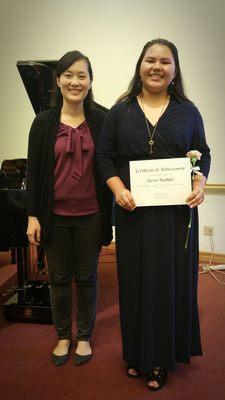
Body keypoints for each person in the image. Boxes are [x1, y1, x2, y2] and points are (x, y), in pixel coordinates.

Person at [97, 38, 210, 391]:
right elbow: (104, 155)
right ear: (140, 66)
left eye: (165, 61)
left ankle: (160, 359)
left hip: (176, 218)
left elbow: (202, 154)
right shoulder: (121, 111)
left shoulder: (188, 111)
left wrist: (200, 183)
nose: (157, 67)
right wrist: (118, 190)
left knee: (168, 284)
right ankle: (135, 353)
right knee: (134, 284)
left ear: (175, 70)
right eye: (150, 60)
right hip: (133, 214)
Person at [26, 50, 112, 367]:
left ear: (90, 81)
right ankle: (63, 336)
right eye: (69, 75)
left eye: (82, 75)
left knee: (87, 276)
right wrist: (33, 215)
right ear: (58, 80)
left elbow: (115, 164)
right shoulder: (43, 122)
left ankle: (85, 336)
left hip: (92, 215)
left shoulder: (103, 119)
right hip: (55, 217)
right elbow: (34, 173)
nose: (75, 81)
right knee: (59, 279)